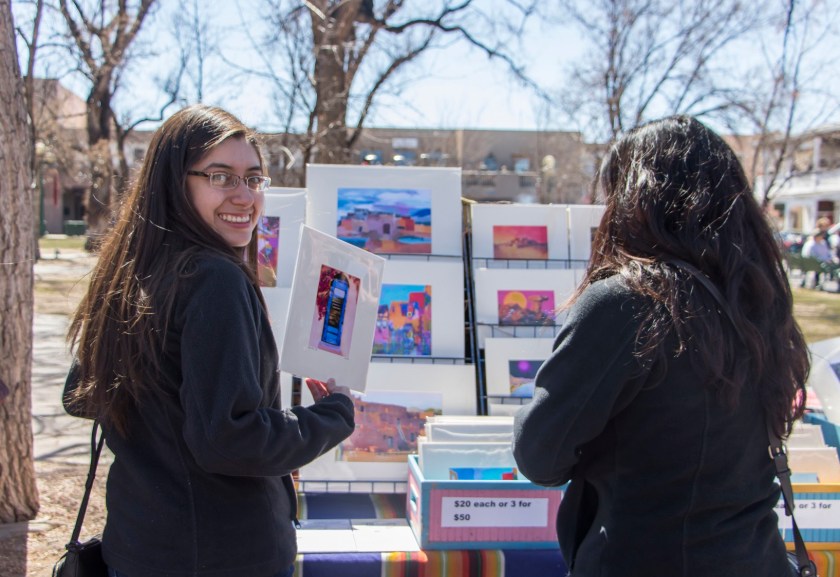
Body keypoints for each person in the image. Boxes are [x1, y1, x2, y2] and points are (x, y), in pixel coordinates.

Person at [64, 104, 355, 577]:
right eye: (221, 177)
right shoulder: (213, 278)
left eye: (254, 178)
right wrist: (333, 414)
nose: (245, 197)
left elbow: (81, 395)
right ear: (174, 183)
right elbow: (229, 440)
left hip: (140, 546)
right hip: (220, 555)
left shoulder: (133, 269)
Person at [512, 115, 810, 577]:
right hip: (753, 558)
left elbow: (540, 455)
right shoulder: (758, 300)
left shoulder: (628, 300)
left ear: (633, 199)